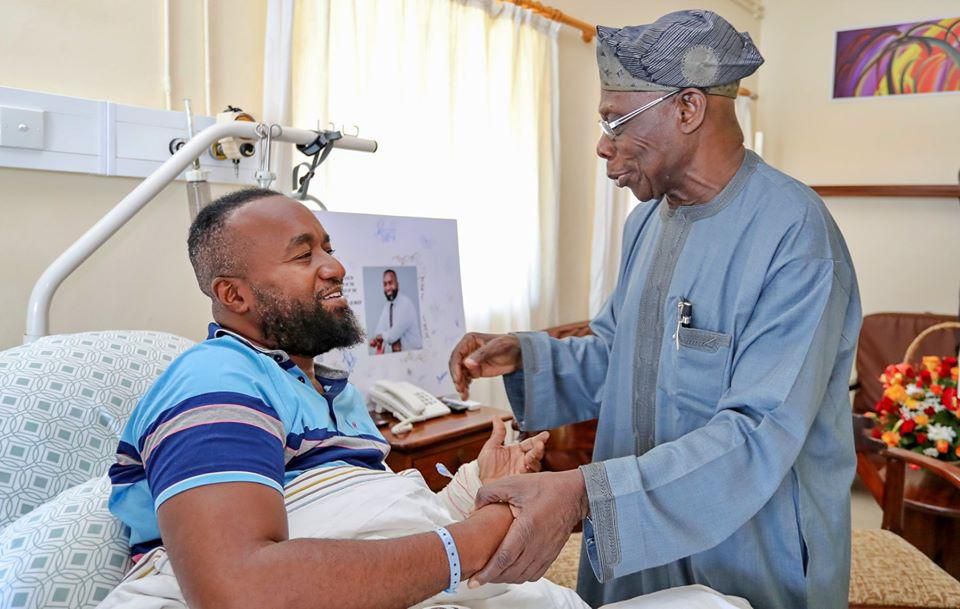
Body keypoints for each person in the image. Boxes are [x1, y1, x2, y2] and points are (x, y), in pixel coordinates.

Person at [98, 188, 752, 609]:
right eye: (304, 255)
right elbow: (239, 587)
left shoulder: (334, 392)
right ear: (233, 294)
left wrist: (476, 490)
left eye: (327, 246)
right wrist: (479, 532)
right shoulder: (217, 380)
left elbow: (377, 526)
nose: (333, 266)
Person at [449, 10, 861, 609]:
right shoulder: (647, 222)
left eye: (616, 119)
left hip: (750, 553)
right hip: (638, 551)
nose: (602, 144)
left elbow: (758, 432)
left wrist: (584, 494)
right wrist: (529, 355)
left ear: (688, 109)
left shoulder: (795, 237)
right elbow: (623, 354)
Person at [370, 268, 423, 354]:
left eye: (390, 283)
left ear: (397, 284)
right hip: (398, 356)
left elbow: (394, 334)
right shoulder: (387, 307)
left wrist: (380, 337)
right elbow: (379, 330)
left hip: (415, 355)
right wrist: (377, 338)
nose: (387, 288)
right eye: (385, 284)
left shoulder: (406, 304)